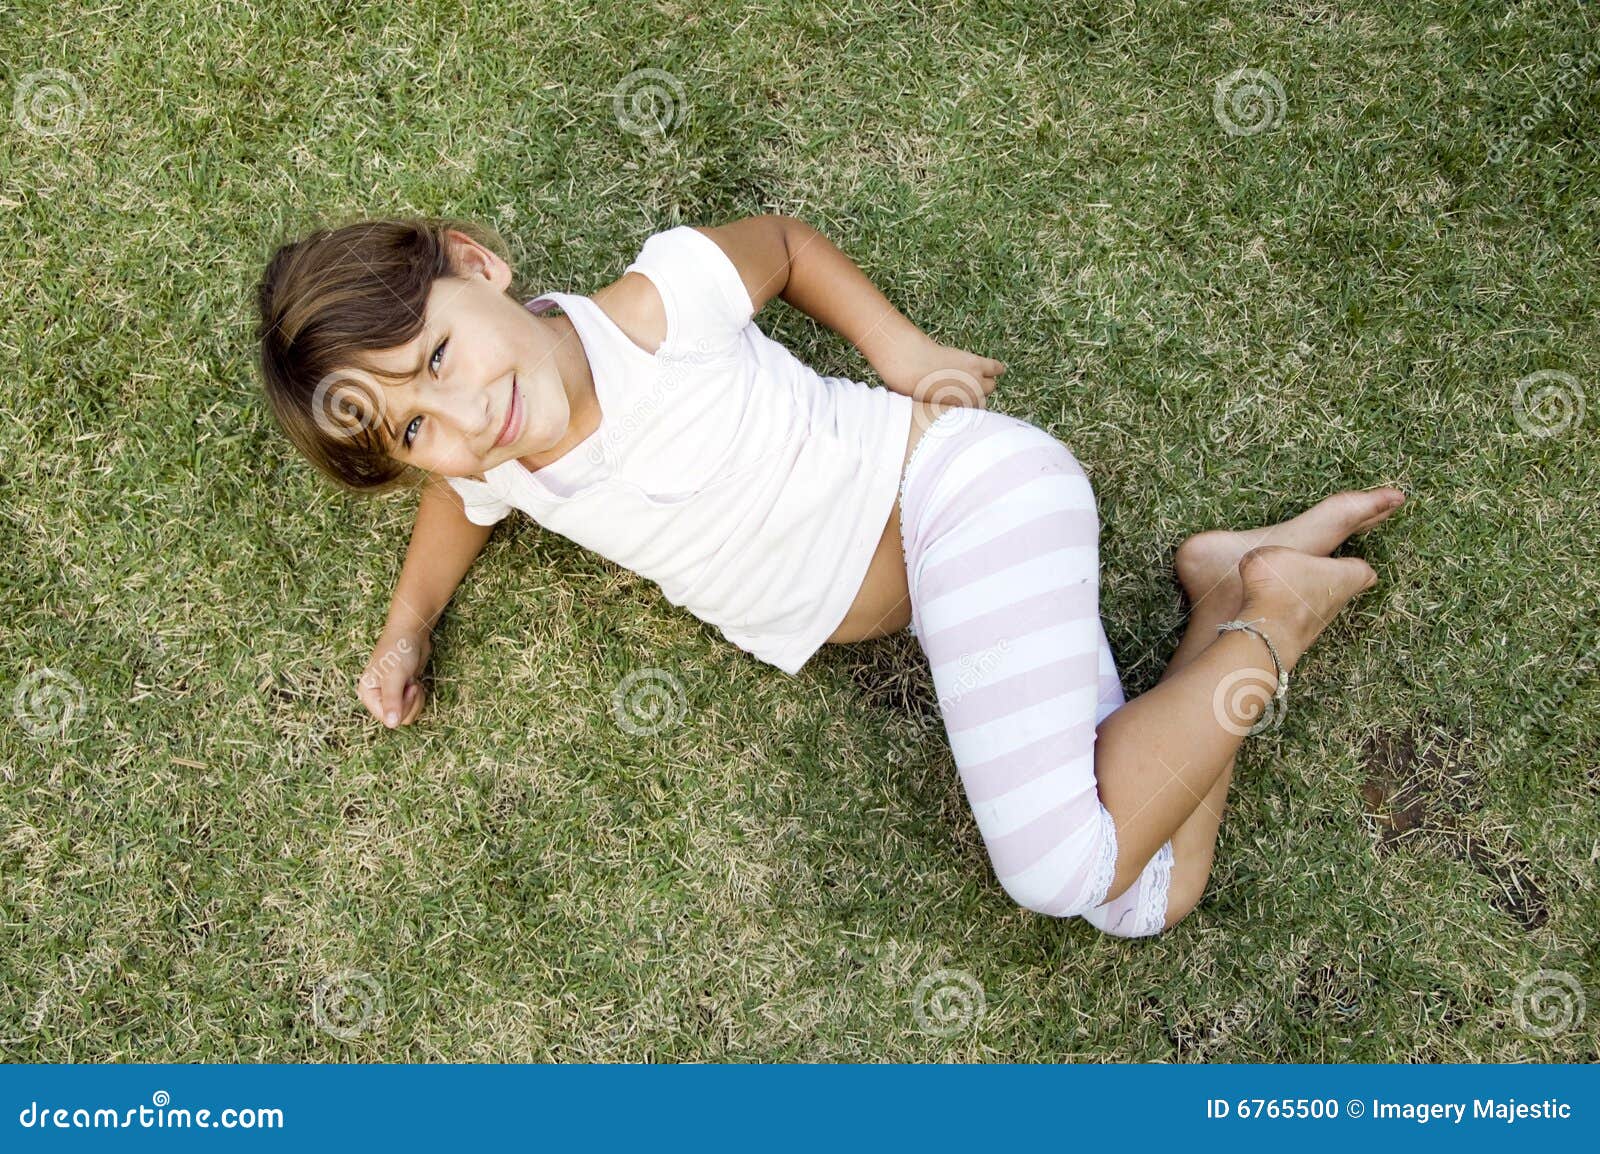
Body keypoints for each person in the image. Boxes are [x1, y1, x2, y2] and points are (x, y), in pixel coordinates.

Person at [255, 214, 1404, 937]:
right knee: (1142, 895)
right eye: (413, 429)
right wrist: (407, 628)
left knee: (1061, 869)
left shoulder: (654, 309)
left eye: (439, 358)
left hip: (967, 495)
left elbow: (787, 247)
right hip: (949, 588)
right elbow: (462, 506)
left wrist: (902, 354)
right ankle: (1223, 588)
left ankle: (1275, 619)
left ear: (476, 264)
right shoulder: (500, 465)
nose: (461, 414)